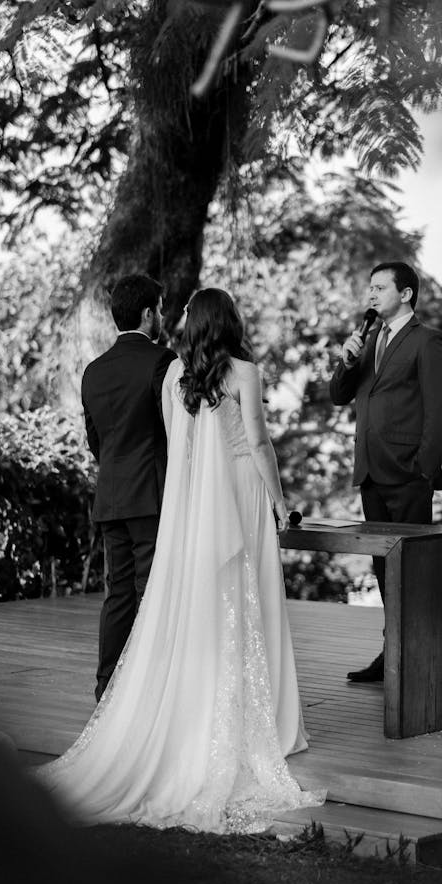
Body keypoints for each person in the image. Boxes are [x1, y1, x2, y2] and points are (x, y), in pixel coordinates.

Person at [38, 288, 323, 832]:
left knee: (157, 600)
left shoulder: (168, 378)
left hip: (178, 501)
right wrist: (282, 504)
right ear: (230, 322)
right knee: (248, 601)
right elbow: (259, 446)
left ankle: (144, 700)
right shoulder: (240, 372)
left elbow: (160, 446)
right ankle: (258, 719)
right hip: (236, 492)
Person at [329, 261, 442, 682]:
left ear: (405, 294)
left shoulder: (427, 341)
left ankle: (421, 660)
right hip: (370, 472)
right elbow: (337, 395)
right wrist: (347, 360)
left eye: (380, 287)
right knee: (385, 573)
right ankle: (393, 655)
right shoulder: (366, 341)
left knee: (413, 576)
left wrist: (422, 468)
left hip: (408, 477)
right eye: (370, 288)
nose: (371, 294)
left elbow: (439, 415)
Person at [82, 274, 177, 701]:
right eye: (160, 307)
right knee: (154, 592)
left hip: (111, 497)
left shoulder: (94, 371)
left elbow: (96, 442)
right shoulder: (163, 361)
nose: (162, 315)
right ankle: (149, 693)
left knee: (117, 594)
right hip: (153, 497)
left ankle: (106, 689)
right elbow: (175, 430)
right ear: (147, 313)